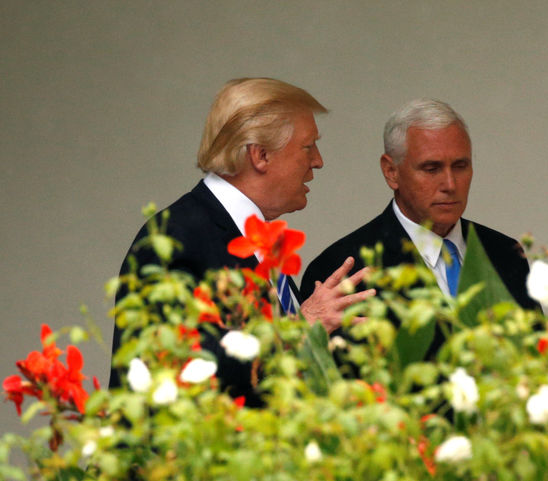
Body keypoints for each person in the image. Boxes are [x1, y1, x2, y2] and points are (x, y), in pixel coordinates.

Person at [110, 78, 375, 403]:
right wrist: (301, 326)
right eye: (308, 147)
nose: (318, 161)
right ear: (260, 155)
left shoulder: (252, 236)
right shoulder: (173, 238)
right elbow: (176, 377)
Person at [300, 98, 539, 359]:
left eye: (460, 166)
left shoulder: (504, 252)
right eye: (431, 168)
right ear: (391, 172)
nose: (450, 183)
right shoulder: (343, 268)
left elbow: (535, 356)